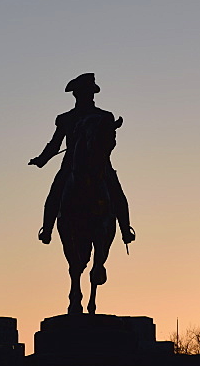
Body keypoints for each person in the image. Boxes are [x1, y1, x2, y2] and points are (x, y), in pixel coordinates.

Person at [29, 73, 134, 246]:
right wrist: (42, 159)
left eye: (89, 92)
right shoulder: (65, 118)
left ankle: (125, 230)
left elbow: (110, 143)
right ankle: (47, 230)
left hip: (100, 165)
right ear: (76, 94)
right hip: (71, 166)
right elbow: (55, 144)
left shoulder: (105, 116)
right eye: (83, 92)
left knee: (116, 192)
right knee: (55, 193)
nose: (87, 95)